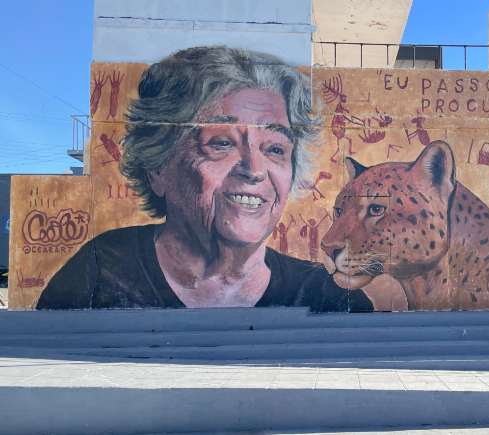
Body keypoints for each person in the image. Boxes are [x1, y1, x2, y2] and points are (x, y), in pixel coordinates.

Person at [36, 46, 373, 312]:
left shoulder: (325, 293)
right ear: (157, 168)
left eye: (274, 149)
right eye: (222, 143)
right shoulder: (101, 270)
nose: (254, 170)